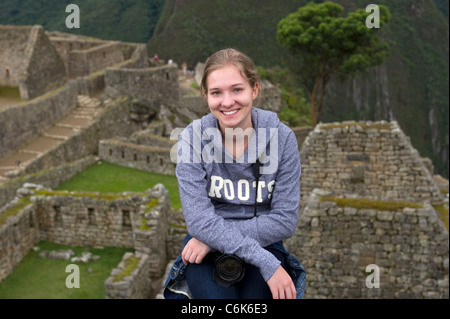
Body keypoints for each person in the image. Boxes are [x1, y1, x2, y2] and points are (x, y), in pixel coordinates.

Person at [164, 48, 305, 299]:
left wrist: (211, 238)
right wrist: (267, 264)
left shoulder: (282, 139)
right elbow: (198, 221)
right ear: (205, 95)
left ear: (255, 89)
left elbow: (284, 219)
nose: (227, 102)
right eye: (216, 92)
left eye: (237, 89)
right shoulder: (192, 140)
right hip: (207, 252)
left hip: (256, 242)